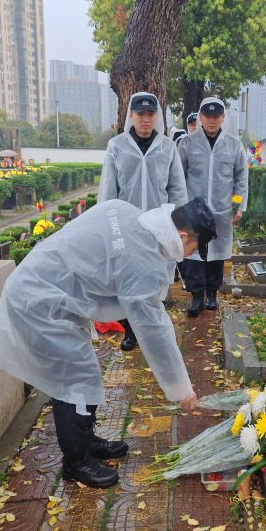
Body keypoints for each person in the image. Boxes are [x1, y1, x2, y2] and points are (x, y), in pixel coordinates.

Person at [0, 197, 217, 488]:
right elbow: (153, 330)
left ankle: (86, 441)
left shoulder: (129, 213)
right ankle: (76, 461)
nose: (188, 255)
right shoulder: (141, 259)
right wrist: (181, 389)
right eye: (193, 247)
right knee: (74, 377)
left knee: (84, 372)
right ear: (183, 236)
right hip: (38, 302)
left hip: (47, 289)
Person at [99, 92, 187, 351]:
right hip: (126, 226)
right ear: (131, 116)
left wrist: (178, 222)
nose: (146, 120)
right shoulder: (117, 146)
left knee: (155, 277)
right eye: (140, 114)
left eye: (150, 115)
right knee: (126, 280)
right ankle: (130, 330)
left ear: (156, 117)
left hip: (158, 226)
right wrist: (107, 223)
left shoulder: (168, 147)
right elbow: (108, 189)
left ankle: (151, 331)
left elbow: (177, 189)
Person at [178, 97, 248, 316]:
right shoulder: (187, 143)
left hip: (221, 211)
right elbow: (177, 177)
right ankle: (196, 296)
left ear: (222, 118)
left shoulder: (234, 144)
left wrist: (237, 206)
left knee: (216, 255)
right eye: (207, 116)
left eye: (216, 116)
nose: (211, 121)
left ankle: (211, 294)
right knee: (193, 255)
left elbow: (241, 179)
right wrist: (179, 209)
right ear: (200, 117)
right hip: (193, 210)